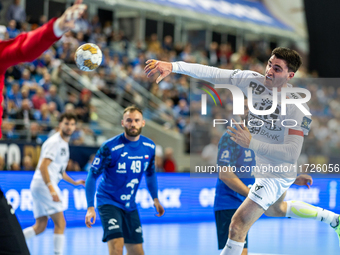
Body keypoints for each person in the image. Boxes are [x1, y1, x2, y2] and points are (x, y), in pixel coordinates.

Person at [145, 47, 340, 255]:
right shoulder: (252, 81)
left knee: (237, 225)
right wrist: (174, 67)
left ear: (289, 76)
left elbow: (292, 152)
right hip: (268, 165)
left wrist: (252, 144)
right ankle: (334, 219)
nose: (269, 71)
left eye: (277, 68)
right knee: (276, 210)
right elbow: (212, 73)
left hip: (275, 171)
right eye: (269, 64)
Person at [0, 2, 87, 254]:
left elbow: (24, 47)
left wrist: (57, 27)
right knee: (50, 224)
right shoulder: (54, 142)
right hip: (43, 185)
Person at [214, 101, 313, 255]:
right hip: (230, 203)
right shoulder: (231, 136)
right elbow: (225, 174)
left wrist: (293, 179)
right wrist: (253, 195)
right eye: (246, 108)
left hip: (248, 203)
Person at [85, 105, 165, 255]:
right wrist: (90, 207)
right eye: (129, 120)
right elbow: (92, 175)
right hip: (108, 201)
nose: (132, 124)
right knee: (117, 246)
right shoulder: (109, 147)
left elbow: (150, 174)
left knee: (137, 252)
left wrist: (155, 198)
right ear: (122, 123)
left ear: (143, 123)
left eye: (136, 120)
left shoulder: (149, 147)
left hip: (130, 205)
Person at [22, 113, 85, 255]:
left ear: (75, 127)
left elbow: (59, 171)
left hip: (40, 185)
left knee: (40, 226)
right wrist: (51, 188)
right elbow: (43, 166)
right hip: (44, 184)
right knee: (61, 223)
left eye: (72, 124)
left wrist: (74, 182)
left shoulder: (64, 144)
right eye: (66, 123)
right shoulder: (54, 142)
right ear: (60, 124)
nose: (69, 127)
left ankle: (9, 243)